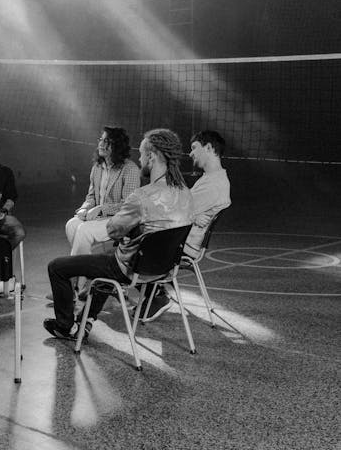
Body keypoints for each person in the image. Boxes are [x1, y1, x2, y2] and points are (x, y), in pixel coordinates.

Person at [44, 127, 194, 343]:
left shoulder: (141, 197)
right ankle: (85, 322)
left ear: (152, 157)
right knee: (106, 262)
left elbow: (113, 229)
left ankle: (64, 326)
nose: (140, 159)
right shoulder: (186, 194)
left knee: (57, 267)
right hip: (164, 270)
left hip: (129, 269)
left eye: (142, 154)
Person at [131, 129, 232, 322]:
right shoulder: (211, 179)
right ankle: (153, 292)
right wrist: (193, 214)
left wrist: (190, 215)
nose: (191, 153)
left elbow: (177, 213)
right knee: (135, 233)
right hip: (182, 236)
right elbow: (185, 208)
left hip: (180, 243)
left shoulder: (214, 185)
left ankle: (157, 294)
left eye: (195, 148)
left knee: (132, 240)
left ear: (209, 148)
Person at [65, 125, 141, 256]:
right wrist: (85, 208)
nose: (100, 144)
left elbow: (128, 206)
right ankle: (83, 269)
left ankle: (78, 274)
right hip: (100, 217)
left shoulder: (130, 169)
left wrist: (101, 209)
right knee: (71, 224)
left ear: (117, 145)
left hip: (119, 220)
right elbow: (91, 197)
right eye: (101, 139)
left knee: (84, 230)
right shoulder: (97, 167)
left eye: (106, 141)